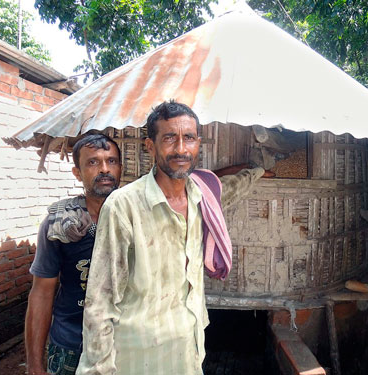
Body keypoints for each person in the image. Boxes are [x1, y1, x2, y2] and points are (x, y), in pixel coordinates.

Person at [76, 101, 265, 375]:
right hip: (138, 357)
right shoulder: (124, 205)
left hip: (190, 348)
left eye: (188, 138)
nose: (180, 149)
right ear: (150, 146)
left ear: (198, 143)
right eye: (169, 138)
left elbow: (234, 186)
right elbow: (100, 301)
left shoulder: (204, 198)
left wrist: (258, 171)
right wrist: (98, 368)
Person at [25, 134, 122, 375]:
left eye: (111, 161)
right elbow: (42, 293)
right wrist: (35, 365)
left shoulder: (138, 219)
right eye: (93, 162)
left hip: (124, 344)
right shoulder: (59, 224)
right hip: (71, 347)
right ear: (77, 173)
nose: (104, 169)